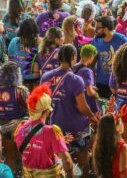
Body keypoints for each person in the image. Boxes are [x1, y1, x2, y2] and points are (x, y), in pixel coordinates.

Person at [40, 44, 98, 178]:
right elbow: (83, 108)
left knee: (61, 160)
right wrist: (92, 117)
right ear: (73, 57)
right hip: (77, 127)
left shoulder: (46, 77)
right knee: (83, 158)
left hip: (55, 127)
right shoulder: (76, 80)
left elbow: (42, 103)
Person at [14, 84, 74, 177]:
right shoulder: (51, 131)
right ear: (47, 111)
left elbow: (31, 148)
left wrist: (57, 142)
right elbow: (67, 162)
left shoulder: (20, 128)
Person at [0, 61, 28, 171]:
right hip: (18, 129)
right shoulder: (21, 91)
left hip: (2, 128)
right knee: (20, 157)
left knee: (9, 158)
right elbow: (30, 110)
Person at [93, 15, 127, 98]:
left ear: (105, 29)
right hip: (101, 84)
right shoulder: (96, 40)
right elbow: (92, 60)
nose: (95, 31)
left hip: (118, 84)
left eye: (97, 28)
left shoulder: (123, 41)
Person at [93, 113, 127, 178]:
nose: (123, 124)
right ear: (116, 127)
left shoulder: (99, 144)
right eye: (121, 122)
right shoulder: (122, 147)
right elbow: (124, 175)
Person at [8, 18, 40, 89]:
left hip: (32, 83)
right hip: (18, 83)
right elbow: (10, 63)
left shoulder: (40, 45)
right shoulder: (14, 42)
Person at [73, 44, 99, 117]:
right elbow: (89, 92)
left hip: (75, 103)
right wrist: (96, 95)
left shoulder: (73, 67)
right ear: (91, 57)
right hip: (87, 105)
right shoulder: (87, 71)